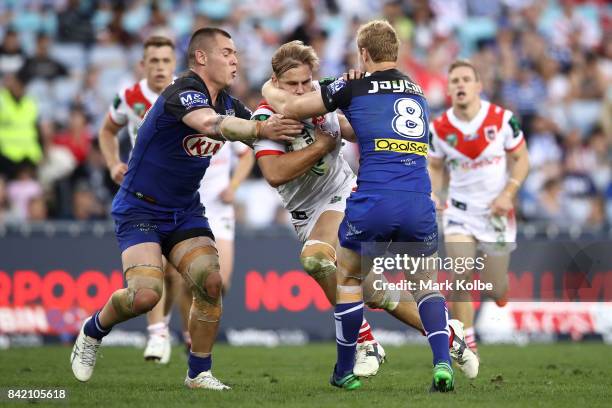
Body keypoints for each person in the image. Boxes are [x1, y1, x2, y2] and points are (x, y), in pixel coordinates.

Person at [71, 27, 303, 390]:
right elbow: (209, 124)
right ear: (201, 57)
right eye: (226, 52)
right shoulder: (183, 93)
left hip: (185, 210)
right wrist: (261, 131)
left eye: (236, 53)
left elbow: (259, 125)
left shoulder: (228, 102)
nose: (235, 59)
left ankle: (198, 372)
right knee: (145, 295)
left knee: (211, 281)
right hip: (140, 209)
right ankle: (92, 329)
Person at [262, 21, 472, 391]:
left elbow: (294, 107)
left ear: (363, 54)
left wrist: (269, 87)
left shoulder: (348, 86)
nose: (299, 87)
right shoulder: (417, 89)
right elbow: (367, 125)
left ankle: (354, 358)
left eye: (304, 82)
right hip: (418, 200)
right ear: (396, 52)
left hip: (368, 198)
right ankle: (444, 357)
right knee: (422, 288)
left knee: (346, 280)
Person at [428, 59, 529, 354]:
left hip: (496, 213)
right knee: (460, 274)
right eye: (454, 80)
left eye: (465, 79)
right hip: (459, 211)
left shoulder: (502, 119)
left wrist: (508, 194)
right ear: (448, 89)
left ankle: (500, 290)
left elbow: (522, 160)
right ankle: (467, 342)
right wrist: (435, 193)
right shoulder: (439, 127)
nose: (460, 84)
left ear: (478, 86)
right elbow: (434, 166)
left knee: (495, 288)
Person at [98, 35, 177, 364]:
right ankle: (157, 333)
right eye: (153, 61)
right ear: (142, 65)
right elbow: (106, 131)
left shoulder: (187, 94)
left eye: (165, 60)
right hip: (142, 196)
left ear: (174, 64)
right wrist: (113, 162)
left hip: (181, 196)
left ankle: (165, 325)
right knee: (154, 268)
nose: (159, 67)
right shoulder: (130, 97)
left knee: (174, 274)